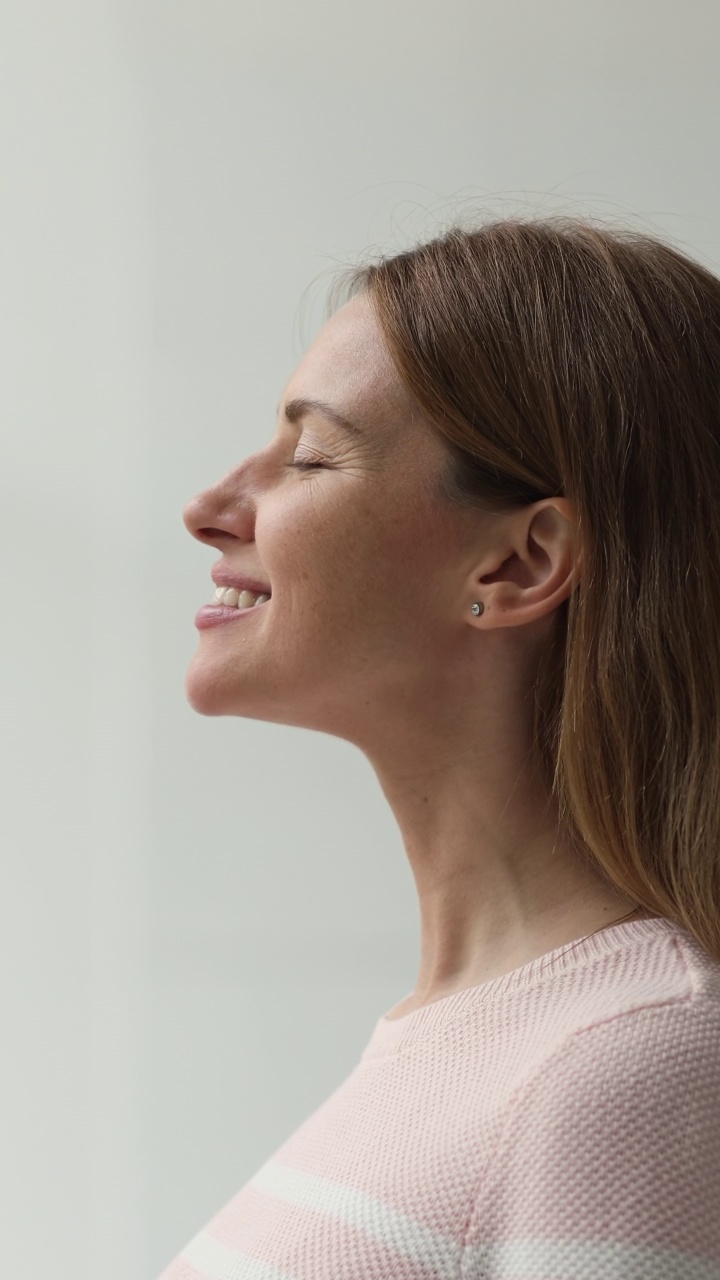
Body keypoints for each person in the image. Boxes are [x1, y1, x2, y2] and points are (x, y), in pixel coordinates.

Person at [160, 216, 720, 1278]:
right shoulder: (492, 1045)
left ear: (518, 564)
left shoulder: (628, 1067)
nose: (210, 507)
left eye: (311, 454)